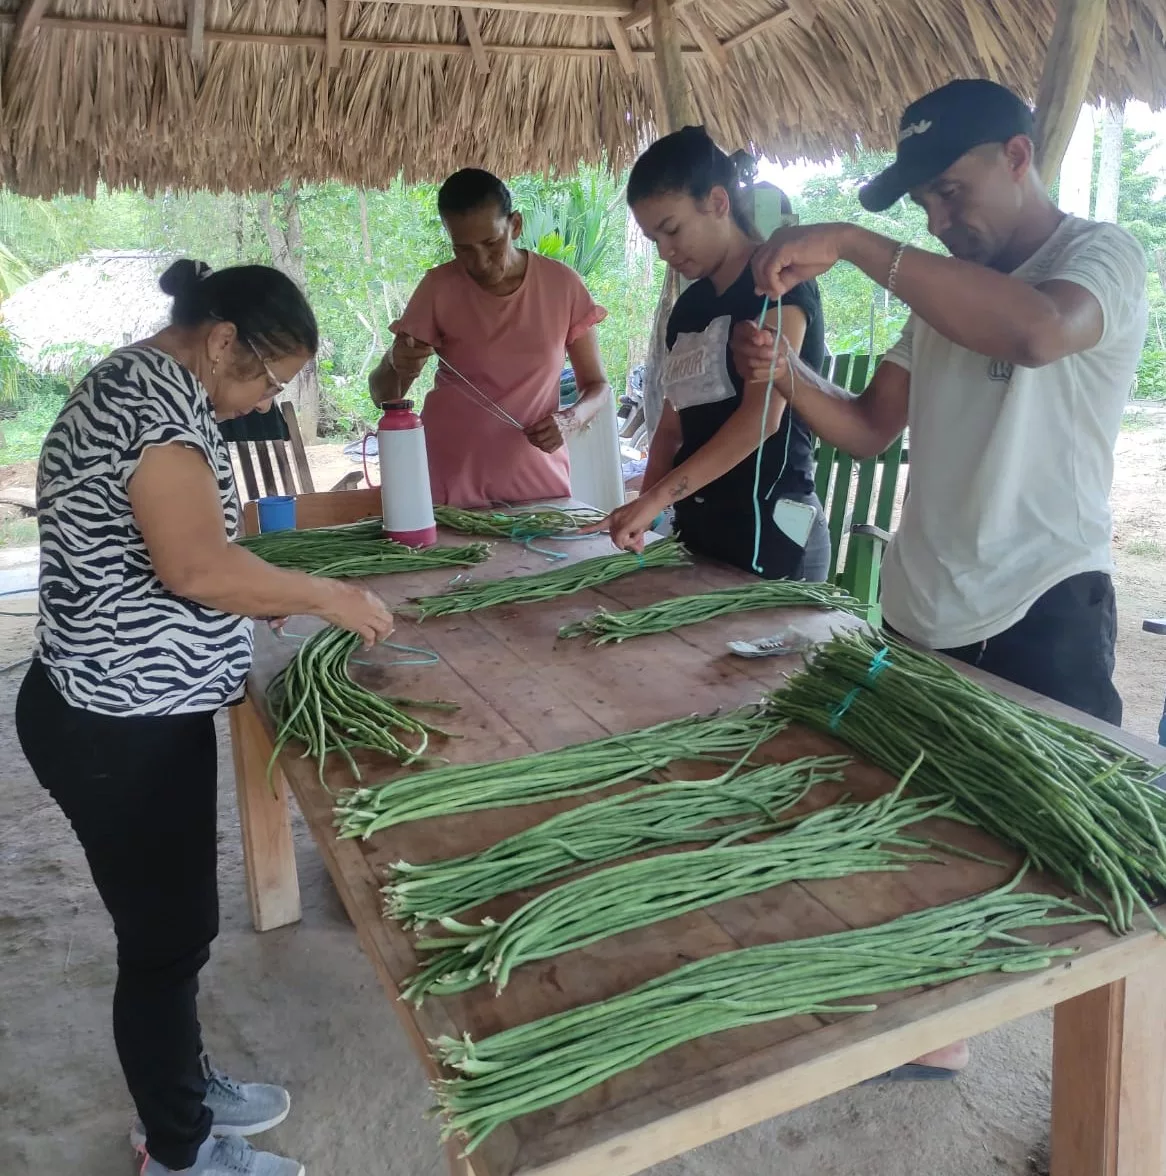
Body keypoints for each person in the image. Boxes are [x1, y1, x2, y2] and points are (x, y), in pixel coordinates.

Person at [732, 79, 1148, 1077]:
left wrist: (863, 245)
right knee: (927, 825)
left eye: (952, 192)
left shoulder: (1098, 256)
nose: (940, 220)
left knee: (1080, 867)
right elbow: (873, 428)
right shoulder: (939, 290)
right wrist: (788, 379)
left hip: (1039, 603)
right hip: (922, 605)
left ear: (1017, 156)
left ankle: (1106, 1090)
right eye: (922, 206)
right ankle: (940, 1023)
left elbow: (1034, 333)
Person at [15, 259, 395, 1176]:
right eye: (264, 380)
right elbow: (192, 567)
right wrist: (323, 594)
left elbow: (183, 560)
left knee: (173, 929)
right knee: (164, 940)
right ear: (221, 339)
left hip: (123, 703)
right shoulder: (158, 410)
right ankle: (177, 1153)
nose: (260, 402)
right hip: (119, 724)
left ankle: (180, 1084)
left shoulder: (148, 385)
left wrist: (245, 592)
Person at [588, 126, 830, 581]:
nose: (664, 252)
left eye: (672, 230)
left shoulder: (776, 285)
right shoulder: (690, 307)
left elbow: (761, 420)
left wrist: (657, 499)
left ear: (718, 202)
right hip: (702, 528)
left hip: (773, 526)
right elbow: (673, 423)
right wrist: (648, 509)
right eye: (653, 239)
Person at [368, 168, 612, 507]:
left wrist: (571, 420)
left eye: (491, 243)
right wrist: (396, 364)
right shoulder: (438, 288)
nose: (480, 262)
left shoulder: (563, 286)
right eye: (463, 249)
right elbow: (383, 396)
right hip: (447, 487)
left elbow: (598, 387)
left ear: (515, 225)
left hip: (538, 485)